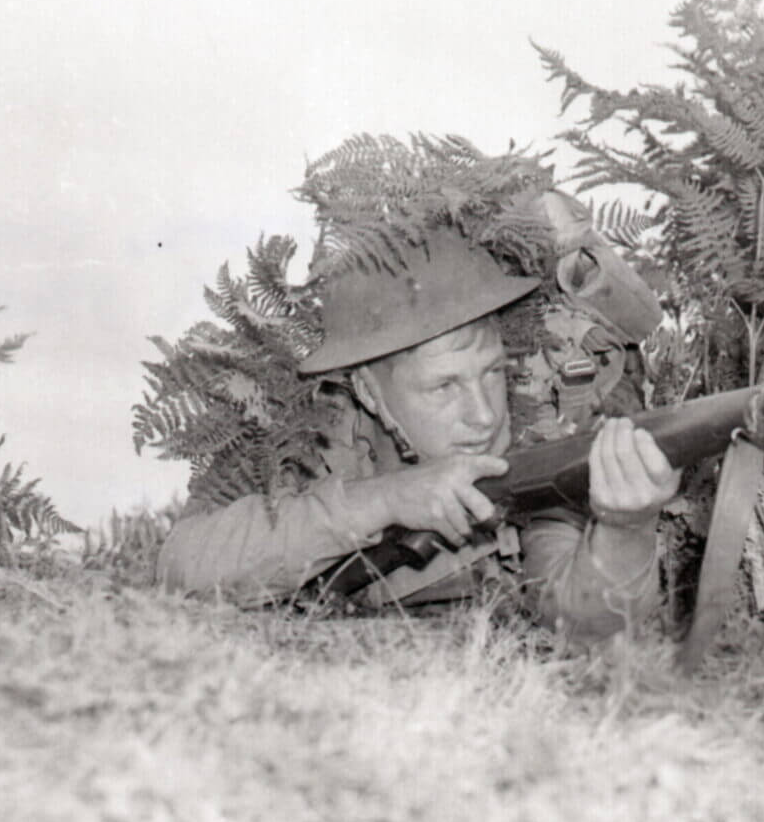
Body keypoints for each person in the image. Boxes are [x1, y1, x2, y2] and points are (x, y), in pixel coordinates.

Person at [156, 228, 681, 643]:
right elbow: (183, 565)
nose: (483, 416)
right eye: (444, 387)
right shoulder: (305, 438)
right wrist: (386, 499)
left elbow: (589, 630)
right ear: (369, 390)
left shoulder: (533, 440)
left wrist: (623, 530)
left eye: (492, 373)